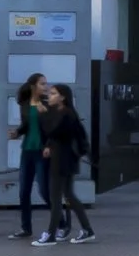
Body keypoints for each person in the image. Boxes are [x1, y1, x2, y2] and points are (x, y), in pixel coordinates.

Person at [42, 82, 94, 243]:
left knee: (56, 197)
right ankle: (87, 230)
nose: (49, 96)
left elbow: (53, 132)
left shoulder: (66, 114)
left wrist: (43, 114)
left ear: (62, 97)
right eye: (49, 93)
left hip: (63, 160)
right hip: (64, 159)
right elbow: (55, 136)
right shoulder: (62, 113)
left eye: (53, 93)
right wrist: (49, 146)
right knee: (69, 196)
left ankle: (51, 234)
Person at [15, 74, 52, 243]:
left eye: (45, 84)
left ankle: (62, 223)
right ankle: (25, 227)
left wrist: (45, 115)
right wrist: (17, 132)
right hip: (27, 150)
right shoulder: (24, 104)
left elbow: (54, 128)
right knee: (24, 191)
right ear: (33, 86)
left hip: (41, 151)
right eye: (42, 84)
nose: (45, 87)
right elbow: (26, 125)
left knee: (44, 190)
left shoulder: (47, 104)